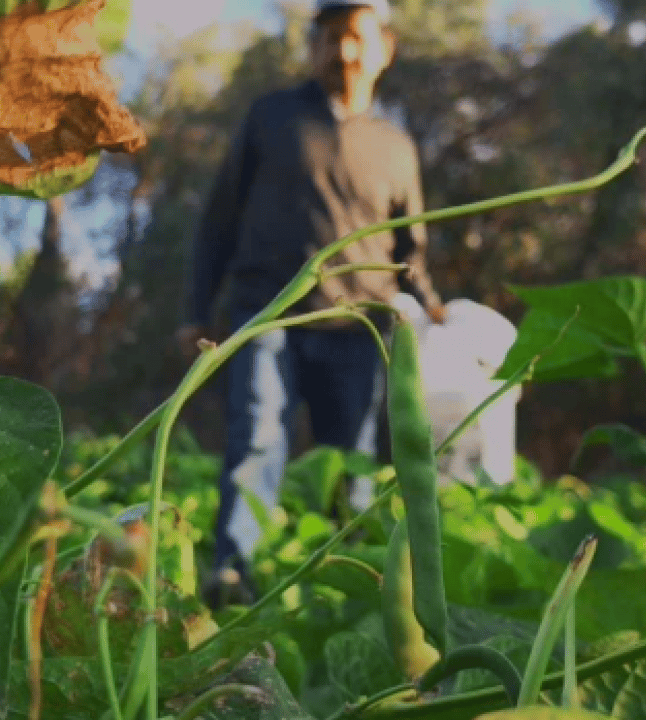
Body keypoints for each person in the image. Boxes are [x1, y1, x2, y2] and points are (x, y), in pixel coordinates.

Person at [177, 0, 446, 604]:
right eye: (328, 38)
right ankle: (233, 571)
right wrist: (196, 307)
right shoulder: (271, 117)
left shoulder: (396, 145)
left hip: (358, 324)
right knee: (257, 434)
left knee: (348, 457)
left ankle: (341, 582)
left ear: (384, 49)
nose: (342, 51)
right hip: (267, 312)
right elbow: (220, 216)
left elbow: (411, 246)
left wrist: (432, 307)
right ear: (312, 48)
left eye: (354, 37)